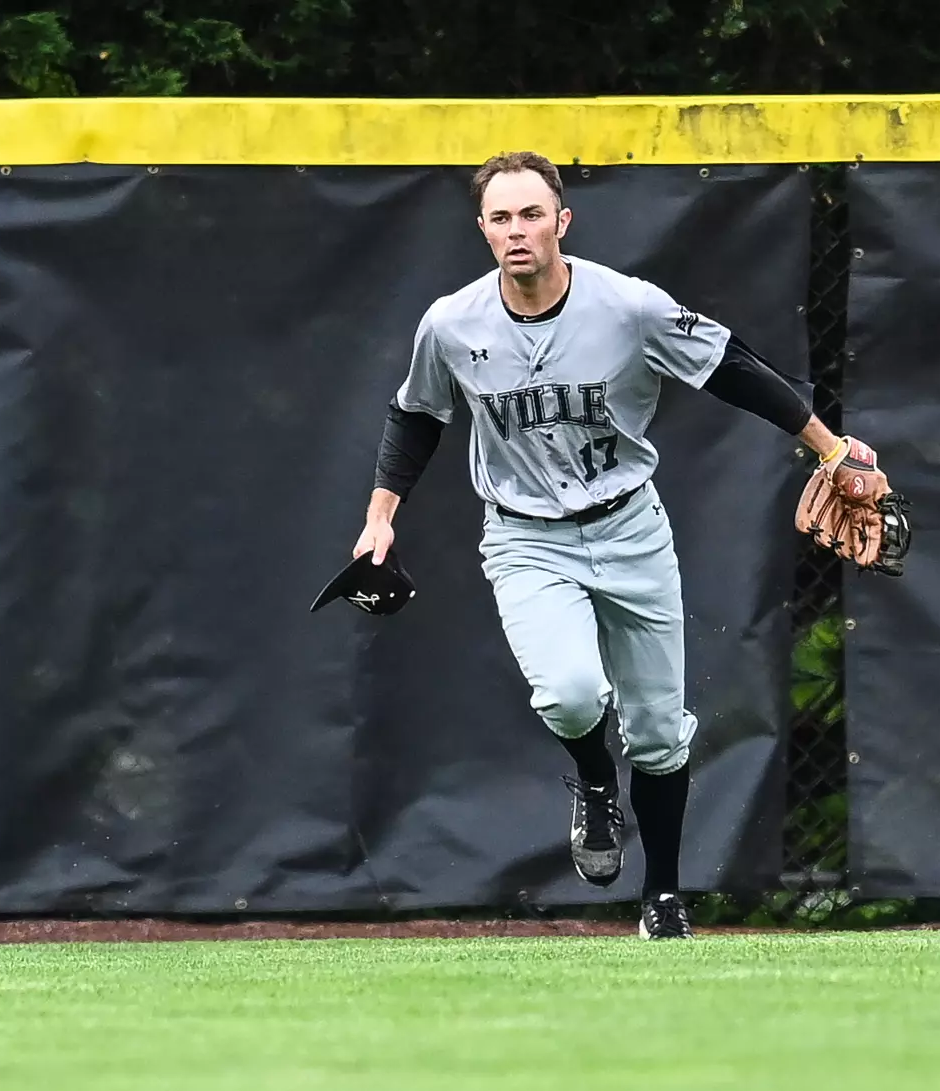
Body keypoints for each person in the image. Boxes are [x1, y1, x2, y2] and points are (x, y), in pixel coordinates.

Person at [352, 150, 885, 940]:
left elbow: (727, 365)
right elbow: (417, 415)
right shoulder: (453, 322)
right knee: (569, 693)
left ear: (562, 222)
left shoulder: (626, 306)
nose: (517, 230)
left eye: (532, 213)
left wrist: (828, 446)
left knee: (660, 730)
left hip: (630, 526)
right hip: (525, 536)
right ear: (483, 231)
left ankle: (662, 896)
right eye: (501, 217)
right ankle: (595, 780)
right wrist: (380, 514)